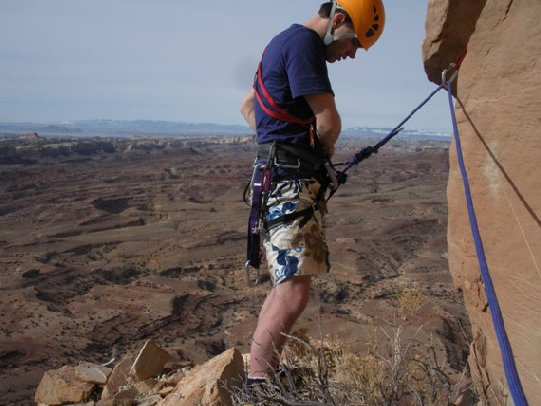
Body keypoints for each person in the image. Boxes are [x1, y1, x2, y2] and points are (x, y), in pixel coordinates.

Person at [240, 0, 385, 385]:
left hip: (274, 176)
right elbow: (329, 122)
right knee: (294, 291)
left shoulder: (278, 43)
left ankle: (262, 373)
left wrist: (278, 142)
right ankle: (258, 383)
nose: (351, 54)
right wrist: (316, 158)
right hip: (291, 181)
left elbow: (248, 106)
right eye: (353, 43)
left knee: (286, 283)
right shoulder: (304, 44)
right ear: (337, 20)